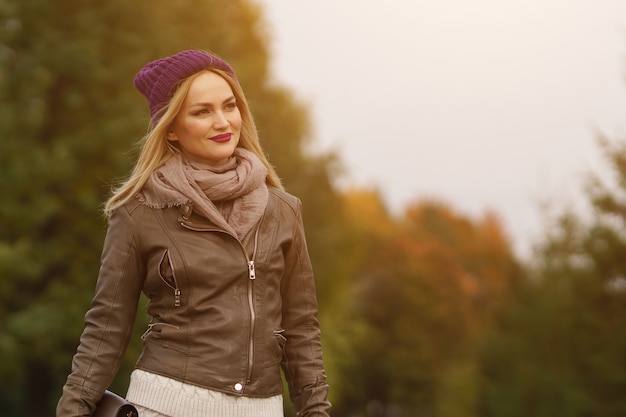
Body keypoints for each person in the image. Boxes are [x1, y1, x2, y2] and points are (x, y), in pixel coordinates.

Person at [56, 49, 331, 417]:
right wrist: (73, 409)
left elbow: (302, 332)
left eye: (229, 106)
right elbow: (106, 328)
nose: (223, 122)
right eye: (202, 112)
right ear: (171, 127)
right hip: (165, 404)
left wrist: (316, 411)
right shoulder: (139, 212)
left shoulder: (283, 210)